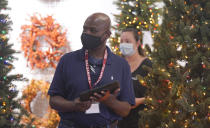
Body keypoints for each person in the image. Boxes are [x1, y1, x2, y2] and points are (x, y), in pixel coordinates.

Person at [48, 13, 135, 128]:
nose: (86, 33)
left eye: (93, 30)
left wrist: (109, 101)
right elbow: (53, 101)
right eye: (85, 29)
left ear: (107, 35)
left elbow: (125, 110)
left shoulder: (121, 65)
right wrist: (74, 105)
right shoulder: (67, 60)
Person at [118, 28, 152, 128]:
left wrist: (140, 100)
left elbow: (159, 95)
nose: (124, 44)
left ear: (137, 43)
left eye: (127, 41)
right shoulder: (118, 65)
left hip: (143, 122)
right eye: (121, 41)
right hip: (121, 123)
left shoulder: (148, 66)